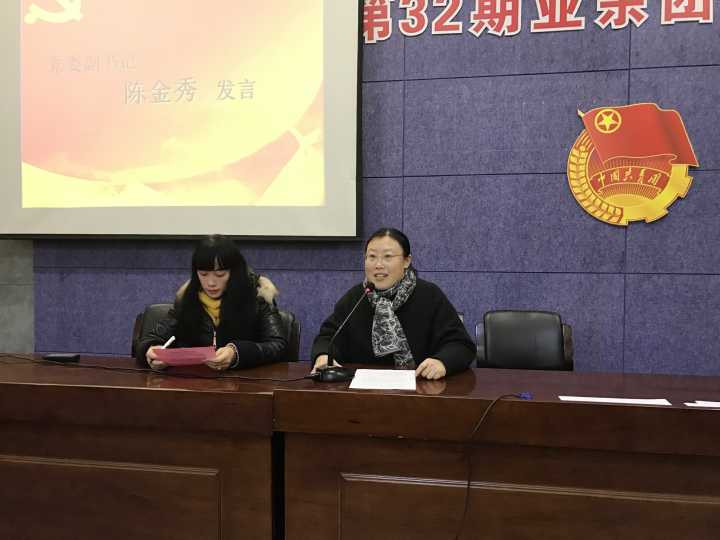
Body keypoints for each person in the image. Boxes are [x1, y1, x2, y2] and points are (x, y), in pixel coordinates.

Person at [312, 228, 475, 379]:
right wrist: (323, 357)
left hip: (421, 388)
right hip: (362, 390)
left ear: (406, 261)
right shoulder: (356, 297)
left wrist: (442, 362)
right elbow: (327, 337)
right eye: (372, 257)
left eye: (388, 257)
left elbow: (461, 345)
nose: (378, 265)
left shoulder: (429, 295)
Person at [137, 235, 287, 370]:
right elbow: (150, 339)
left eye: (220, 274)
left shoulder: (258, 296)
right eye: (203, 274)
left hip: (245, 384)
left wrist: (237, 353)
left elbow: (278, 345)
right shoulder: (188, 298)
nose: (211, 283)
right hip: (193, 383)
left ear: (234, 272)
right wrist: (151, 351)